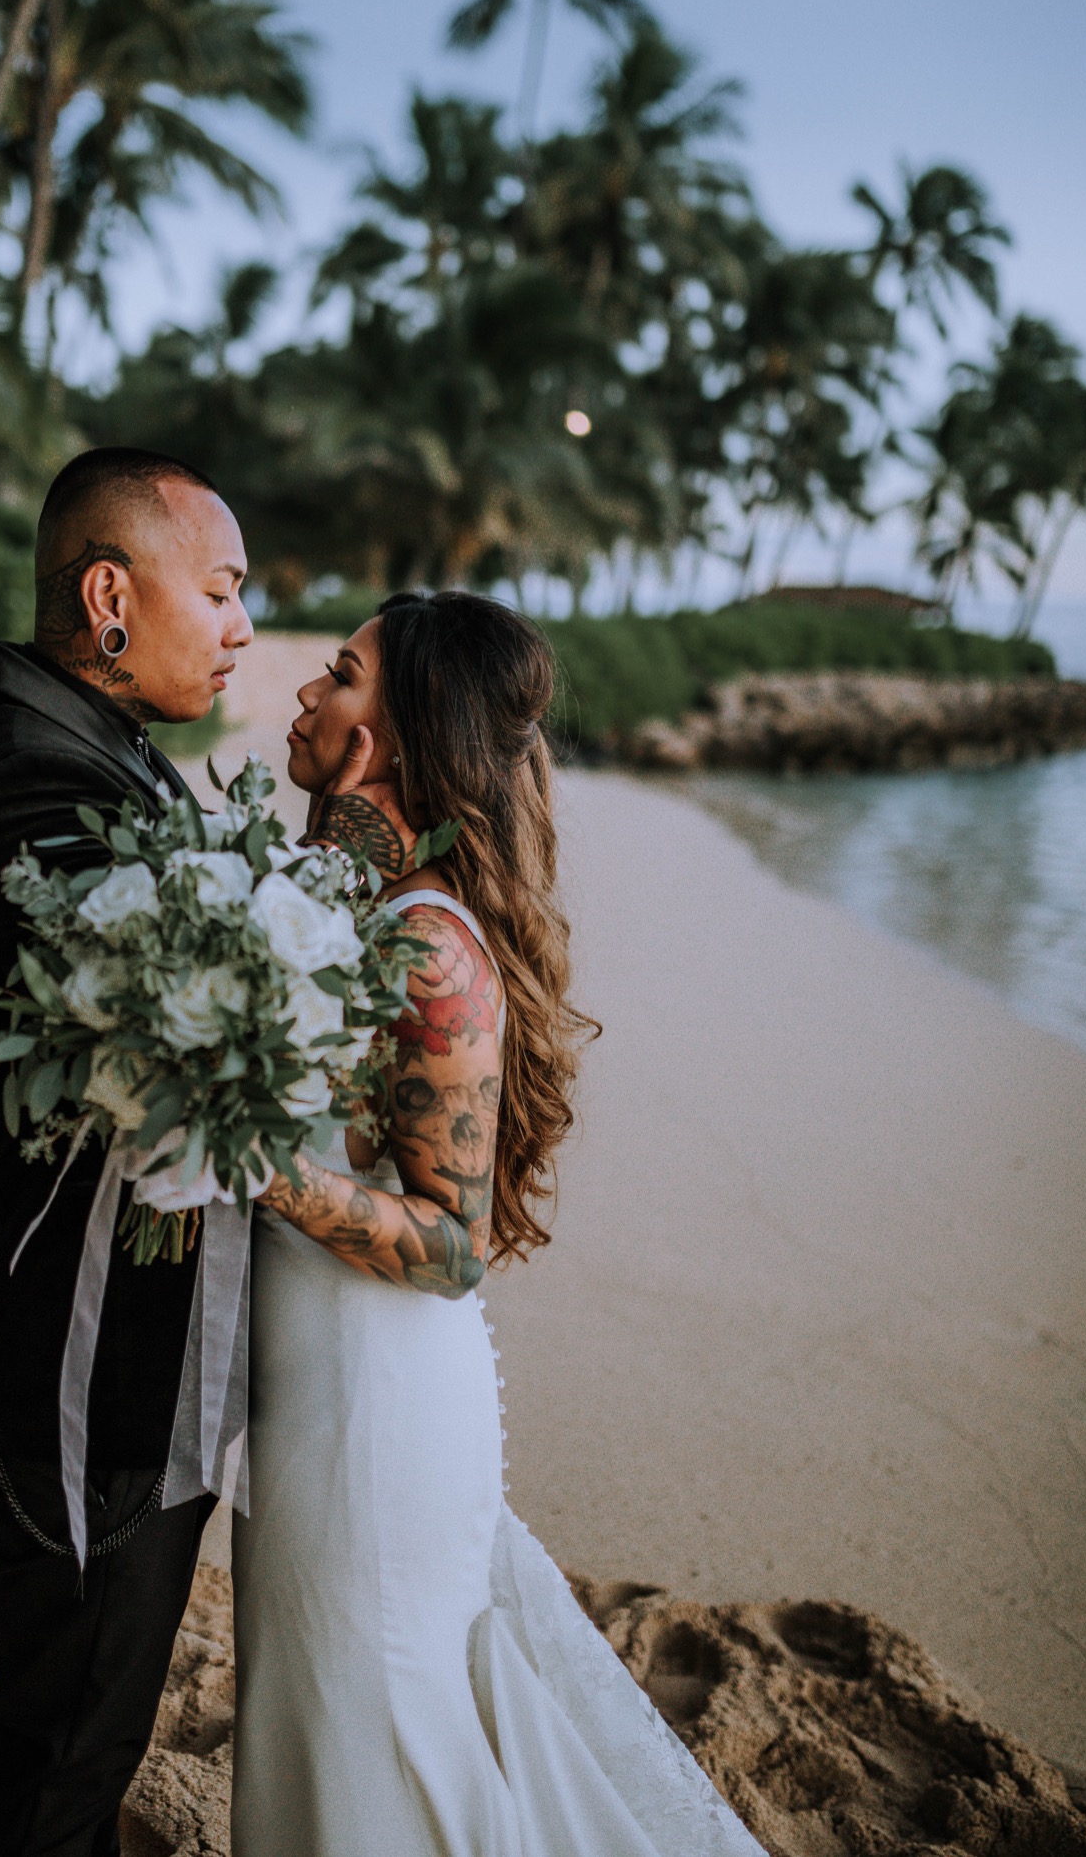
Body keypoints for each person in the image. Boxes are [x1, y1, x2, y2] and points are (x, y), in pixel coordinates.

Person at [233, 589, 765, 1857]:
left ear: (403, 733)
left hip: (370, 1420)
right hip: (310, 1397)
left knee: (377, 1745)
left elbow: (454, 1239)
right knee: (312, 1725)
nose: (306, 695)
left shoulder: (430, 949)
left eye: (343, 678)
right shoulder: (360, 908)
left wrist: (248, 1162)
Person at [0, 446, 252, 1857]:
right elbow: (170, 1032)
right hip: (77, 1350)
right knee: (67, 1747)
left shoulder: (85, 744)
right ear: (111, 596)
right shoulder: (26, 782)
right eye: (222, 590)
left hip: (113, 1333)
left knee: (84, 1724)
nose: (241, 627)